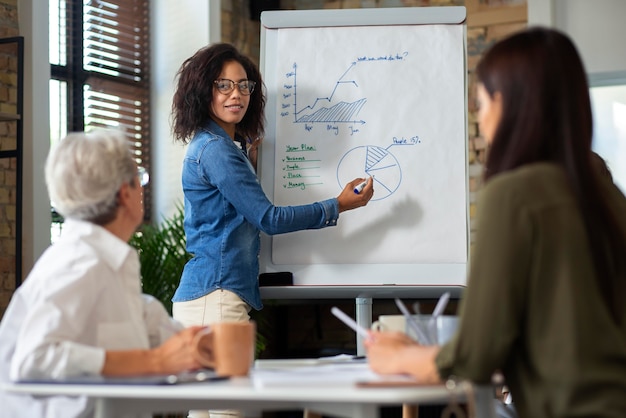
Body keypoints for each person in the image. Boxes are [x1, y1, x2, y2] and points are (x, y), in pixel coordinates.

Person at [365, 27, 626, 418]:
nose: (481, 122)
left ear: (507, 104)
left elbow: (475, 355)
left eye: (481, 103)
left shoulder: (513, 194)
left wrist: (400, 357)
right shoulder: (609, 195)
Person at [0, 130, 212, 418]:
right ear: (126, 192)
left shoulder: (109, 264)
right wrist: (152, 361)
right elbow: (35, 358)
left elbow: (145, 332)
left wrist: (200, 345)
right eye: (140, 177)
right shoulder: (80, 263)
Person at [170, 43, 373, 327]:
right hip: (213, 299)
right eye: (224, 86)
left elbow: (228, 212)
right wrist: (339, 205)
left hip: (215, 296)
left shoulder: (219, 146)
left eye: (243, 85)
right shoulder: (216, 150)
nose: (236, 94)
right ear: (203, 91)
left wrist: (250, 164)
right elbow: (269, 219)